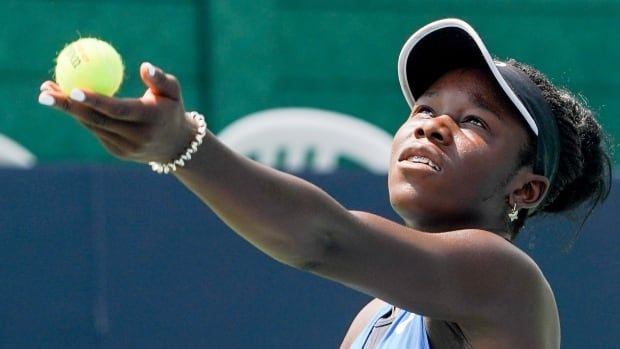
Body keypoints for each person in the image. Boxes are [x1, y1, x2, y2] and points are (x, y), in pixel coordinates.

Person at [37, 18, 611, 348]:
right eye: (424, 108)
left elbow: (323, 239)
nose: (433, 125)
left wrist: (182, 147)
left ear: (524, 190)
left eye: (473, 122)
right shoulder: (376, 320)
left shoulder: (505, 281)